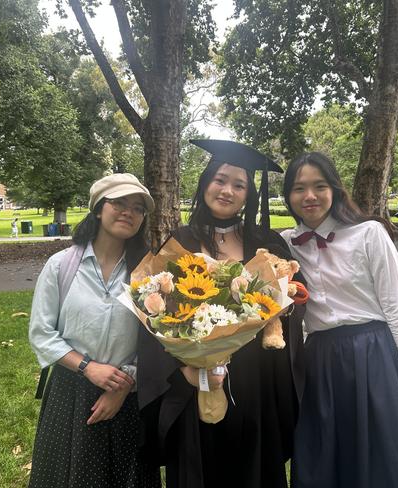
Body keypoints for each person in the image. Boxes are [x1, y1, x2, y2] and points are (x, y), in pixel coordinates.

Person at [138, 139, 305, 488]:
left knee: (254, 470)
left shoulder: (268, 242)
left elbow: (291, 306)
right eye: (220, 179)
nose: (227, 190)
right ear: (205, 183)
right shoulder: (179, 242)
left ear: (249, 195)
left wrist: (280, 307)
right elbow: (156, 313)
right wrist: (185, 368)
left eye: (239, 185)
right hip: (197, 380)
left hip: (258, 380)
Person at [280, 152, 398, 488]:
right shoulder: (285, 244)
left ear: (335, 190)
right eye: (299, 188)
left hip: (374, 357)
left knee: (388, 458)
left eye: (319, 186)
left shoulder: (369, 234)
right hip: (319, 364)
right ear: (288, 195)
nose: (309, 196)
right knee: (326, 458)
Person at [28, 173, 161, 488]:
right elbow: (42, 333)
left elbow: (160, 341)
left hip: (127, 395)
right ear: (99, 209)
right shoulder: (61, 266)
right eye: (118, 203)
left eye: (138, 207)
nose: (128, 211)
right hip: (71, 394)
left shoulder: (150, 274)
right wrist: (88, 367)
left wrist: (123, 386)